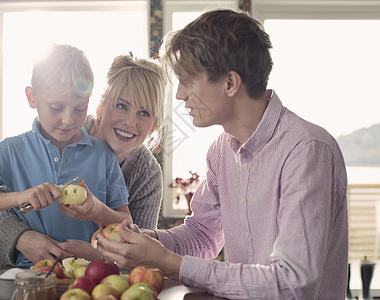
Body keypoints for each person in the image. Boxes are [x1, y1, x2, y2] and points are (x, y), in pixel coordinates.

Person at [97, 9, 348, 299]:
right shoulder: (220, 151)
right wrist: (150, 240)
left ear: (229, 83)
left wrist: (169, 262)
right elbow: (203, 236)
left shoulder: (307, 151)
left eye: (187, 80)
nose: (179, 94)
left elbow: (291, 283)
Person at [0, 44, 132, 266]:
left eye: (79, 108)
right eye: (56, 107)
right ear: (32, 97)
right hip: (29, 278)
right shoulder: (11, 150)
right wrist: (20, 197)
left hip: (92, 274)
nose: (68, 120)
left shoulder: (103, 154)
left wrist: (96, 211)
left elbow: (126, 223)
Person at [0, 54, 166, 267]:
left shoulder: (147, 174)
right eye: (122, 106)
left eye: (144, 113)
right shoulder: (63, 131)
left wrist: (94, 255)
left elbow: (139, 252)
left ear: (153, 126)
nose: (130, 122)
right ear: (100, 107)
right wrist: (21, 238)